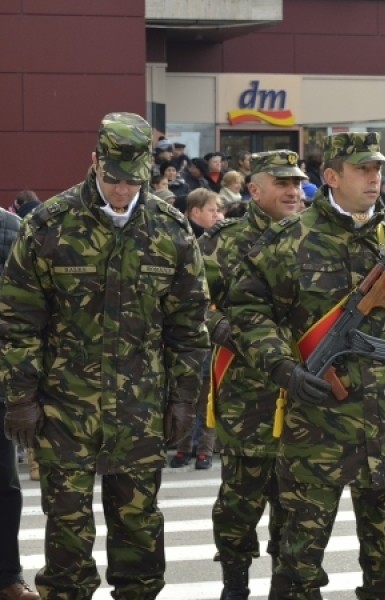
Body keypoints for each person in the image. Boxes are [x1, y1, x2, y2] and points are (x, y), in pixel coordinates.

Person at [223, 131, 385, 600]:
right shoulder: (289, 241)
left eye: (378, 170)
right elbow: (247, 313)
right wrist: (283, 368)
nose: (375, 178)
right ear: (331, 176)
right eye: (362, 170)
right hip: (317, 427)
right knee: (298, 561)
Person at [0, 112, 211, 600]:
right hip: (63, 409)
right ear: (94, 162)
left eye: (132, 180)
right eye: (112, 177)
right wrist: (20, 398)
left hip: (140, 410)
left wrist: (184, 399)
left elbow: (188, 326)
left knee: (138, 533)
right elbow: (18, 320)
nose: (121, 189)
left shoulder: (170, 229)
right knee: (67, 537)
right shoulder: (50, 225)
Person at [199, 150, 307, 600]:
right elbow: (192, 300)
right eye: (281, 183)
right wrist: (221, 327)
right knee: (239, 504)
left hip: (303, 390)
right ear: (255, 190)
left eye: (297, 183)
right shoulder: (225, 240)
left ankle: (287, 584)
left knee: (297, 504)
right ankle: (235, 584)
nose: (293, 191)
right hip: (247, 394)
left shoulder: (312, 238)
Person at [0, 207, 39, 600]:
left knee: (4, 484)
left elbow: (23, 306)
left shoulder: (10, 228)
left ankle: (7, 577)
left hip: (1, 374)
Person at [169, 188, 223, 470]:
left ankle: (205, 450)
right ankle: (183, 447)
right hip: (189, 332)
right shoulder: (183, 240)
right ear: (195, 213)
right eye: (212, 210)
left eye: (218, 210)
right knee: (186, 394)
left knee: (207, 396)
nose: (218, 215)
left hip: (211, 331)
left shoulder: (221, 242)